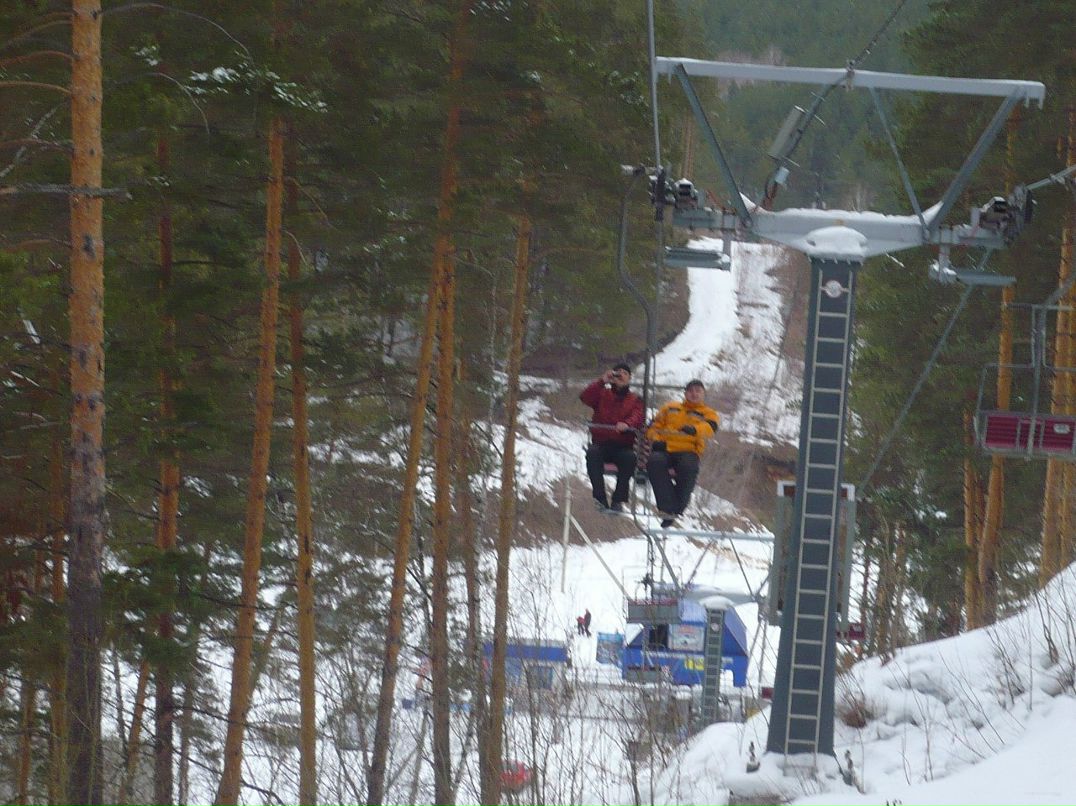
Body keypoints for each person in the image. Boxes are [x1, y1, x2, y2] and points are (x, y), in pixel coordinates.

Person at [646, 379, 719, 528]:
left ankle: (675, 509)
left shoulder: (708, 413)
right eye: (691, 391)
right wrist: (656, 439)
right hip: (665, 447)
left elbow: (711, 427)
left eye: (698, 391)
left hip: (688, 449)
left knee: (689, 468)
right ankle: (668, 508)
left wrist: (695, 430)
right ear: (685, 393)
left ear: (703, 394)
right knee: (654, 462)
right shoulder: (670, 407)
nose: (694, 394)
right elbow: (654, 426)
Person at [580, 363, 644, 512]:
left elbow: (638, 416)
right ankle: (600, 498)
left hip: (622, 445)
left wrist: (627, 424)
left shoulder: (635, 399)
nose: (620, 375)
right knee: (592, 454)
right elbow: (585, 398)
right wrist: (602, 381)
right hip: (601, 443)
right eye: (618, 372)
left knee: (629, 459)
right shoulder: (602, 394)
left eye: (624, 373)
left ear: (629, 378)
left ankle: (618, 500)